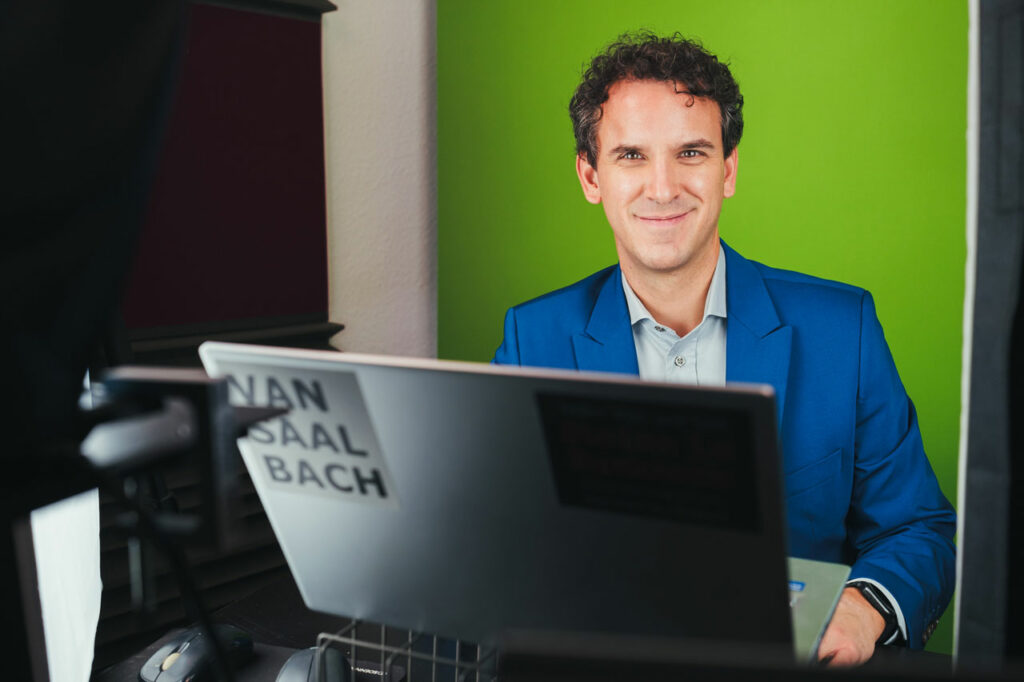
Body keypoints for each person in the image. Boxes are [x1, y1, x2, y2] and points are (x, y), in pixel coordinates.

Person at [492, 31, 956, 666]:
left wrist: (863, 605)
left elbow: (918, 527)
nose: (663, 187)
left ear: (728, 169)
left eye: (691, 152)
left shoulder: (841, 328)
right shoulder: (531, 341)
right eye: (630, 155)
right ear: (590, 175)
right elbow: (498, 543)